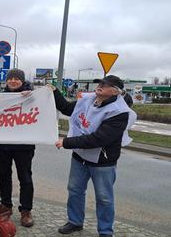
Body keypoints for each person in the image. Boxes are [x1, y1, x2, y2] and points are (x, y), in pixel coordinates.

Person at [50, 75, 136, 237]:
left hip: (102, 162)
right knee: (75, 190)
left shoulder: (119, 112)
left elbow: (99, 139)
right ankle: (75, 222)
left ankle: (105, 232)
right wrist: (54, 92)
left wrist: (67, 142)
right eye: (100, 83)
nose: (100, 86)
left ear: (116, 91)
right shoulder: (89, 100)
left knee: (104, 198)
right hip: (80, 157)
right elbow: (67, 108)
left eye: (105, 84)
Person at [0, 68, 35, 227]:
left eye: (17, 78)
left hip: (24, 146)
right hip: (3, 144)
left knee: (25, 178)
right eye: (10, 78)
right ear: (7, 80)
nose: (13, 81)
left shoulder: (31, 95)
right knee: (3, 175)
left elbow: (45, 104)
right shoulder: (0, 96)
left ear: (22, 80)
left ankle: (26, 210)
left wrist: (32, 94)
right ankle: (5, 206)